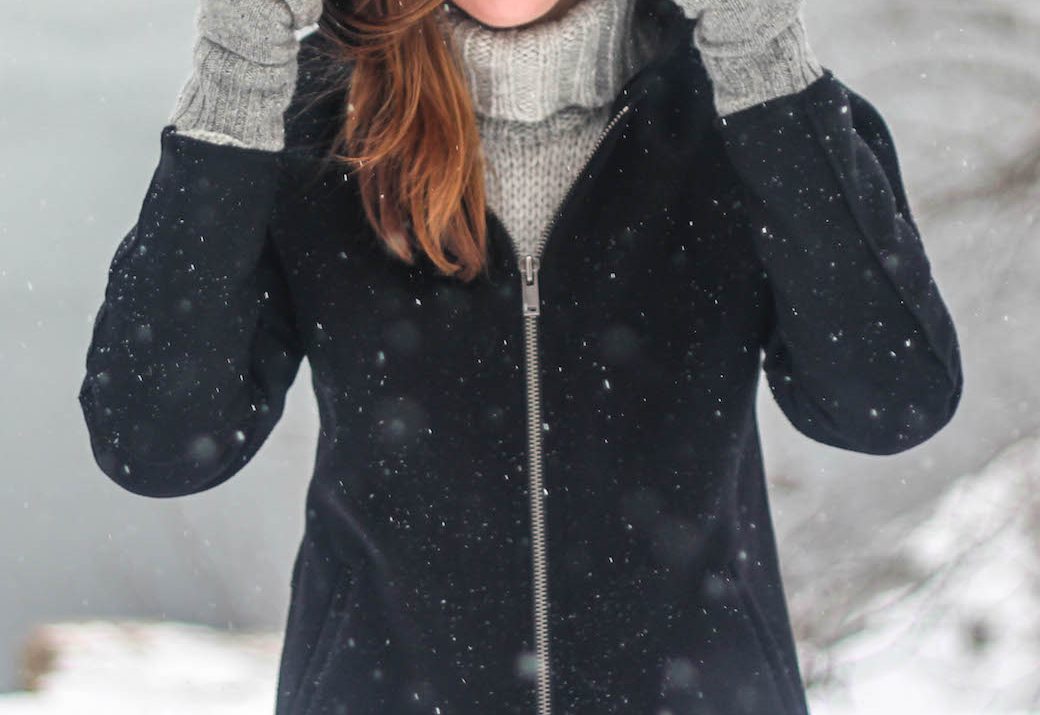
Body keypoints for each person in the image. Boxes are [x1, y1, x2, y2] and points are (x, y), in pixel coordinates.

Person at [76, 0, 964, 711]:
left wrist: (758, 43)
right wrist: (240, 61)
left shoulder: (752, 113)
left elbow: (889, 401)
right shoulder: (311, 128)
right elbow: (155, 441)